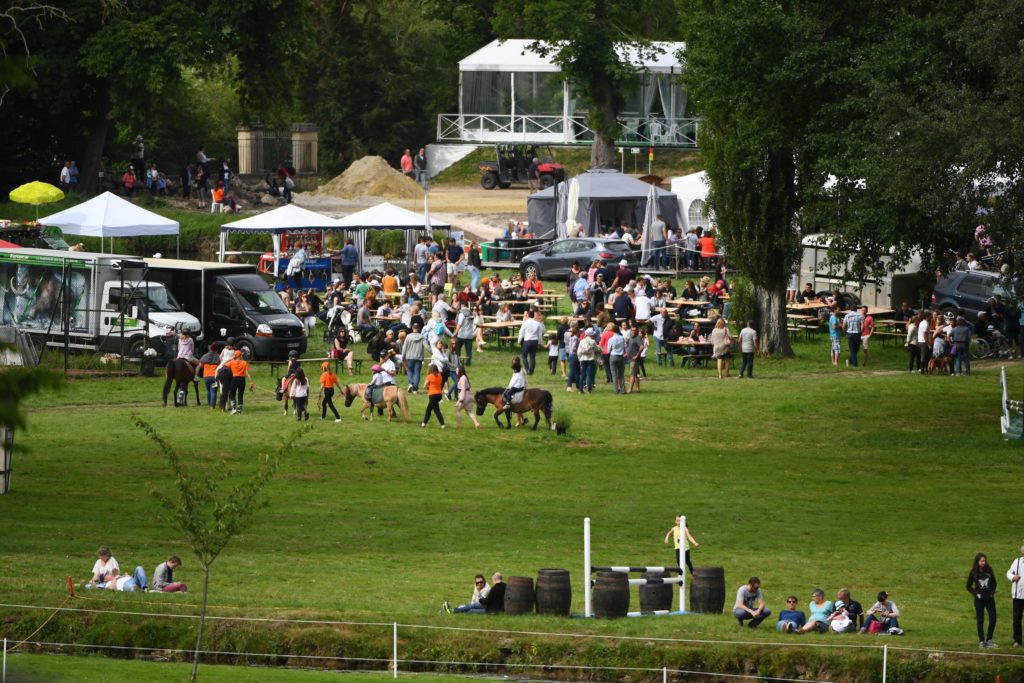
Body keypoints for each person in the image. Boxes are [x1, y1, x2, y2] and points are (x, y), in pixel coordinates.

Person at [968, 552, 998, 647]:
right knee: (980, 620)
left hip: (989, 599)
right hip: (979, 600)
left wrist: (991, 593)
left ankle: (989, 640)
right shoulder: (973, 572)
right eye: (981, 561)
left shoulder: (989, 570)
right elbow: (968, 586)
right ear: (977, 561)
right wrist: (976, 594)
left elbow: (994, 583)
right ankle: (981, 641)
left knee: (993, 618)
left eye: (984, 560)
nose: (983, 562)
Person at [226, 349, 254, 414]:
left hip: (234, 379)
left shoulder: (232, 362)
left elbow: (225, 365)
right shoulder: (244, 362)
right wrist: (251, 382)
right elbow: (247, 373)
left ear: (235, 356)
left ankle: (233, 409)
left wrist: (231, 359)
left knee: (231, 394)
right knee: (240, 395)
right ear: (241, 355)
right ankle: (239, 411)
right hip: (242, 380)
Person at [518, 309, 546, 375]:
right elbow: (539, 334)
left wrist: (519, 340)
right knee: (532, 357)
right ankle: (531, 370)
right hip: (535, 341)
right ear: (533, 315)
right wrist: (540, 343)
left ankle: (527, 369)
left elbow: (521, 332)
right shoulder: (537, 323)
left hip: (527, 340)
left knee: (524, 355)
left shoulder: (525, 323)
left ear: (528, 315)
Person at [1007, 543, 1024, 647]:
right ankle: (1017, 640)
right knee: (1017, 619)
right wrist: (1013, 577)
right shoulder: (1017, 562)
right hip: (1017, 595)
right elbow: (1008, 573)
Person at [198, 344, 221, 409]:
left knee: (208, 391)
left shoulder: (204, 356)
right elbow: (220, 364)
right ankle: (212, 406)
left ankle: (209, 404)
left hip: (206, 377)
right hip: (214, 377)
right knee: (213, 391)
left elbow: (201, 365)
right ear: (217, 349)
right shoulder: (218, 357)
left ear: (210, 348)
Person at [607, 324, 626, 394]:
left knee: (614, 374)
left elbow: (608, 350)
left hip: (613, 356)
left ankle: (616, 390)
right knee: (621, 374)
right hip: (620, 356)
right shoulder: (622, 338)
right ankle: (623, 390)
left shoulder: (611, 339)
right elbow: (624, 347)